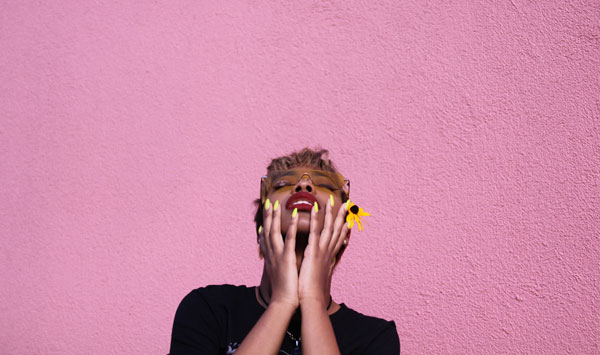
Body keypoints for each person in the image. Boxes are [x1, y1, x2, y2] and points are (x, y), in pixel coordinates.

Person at [169, 148, 400, 354]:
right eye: (282, 184)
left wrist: (312, 301)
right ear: (260, 231)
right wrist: (282, 303)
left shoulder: (375, 338)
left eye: (325, 185)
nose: (304, 185)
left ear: (345, 235)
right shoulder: (209, 310)